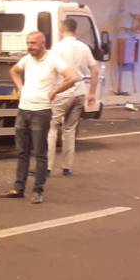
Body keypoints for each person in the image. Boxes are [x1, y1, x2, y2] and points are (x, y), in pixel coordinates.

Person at [0, 31, 78, 204]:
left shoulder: (53, 59)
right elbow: (14, 71)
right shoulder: (27, 59)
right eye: (28, 43)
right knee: (22, 152)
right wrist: (20, 88)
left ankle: (38, 191)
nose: (30, 46)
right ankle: (18, 188)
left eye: (33, 43)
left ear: (43, 44)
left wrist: (55, 91)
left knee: (40, 153)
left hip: (41, 111)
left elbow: (72, 78)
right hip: (23, 110)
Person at [47, 17, 101, 176]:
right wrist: (92, 93)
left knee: (52, 128)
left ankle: (47, 166)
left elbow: (51, 70)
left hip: (62, 91)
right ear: (75, 30)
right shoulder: (84, 47)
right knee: (70, 130)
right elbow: (95, 70)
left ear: (61, 30)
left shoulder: (57, 48)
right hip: (79, 92)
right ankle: (67, 167)